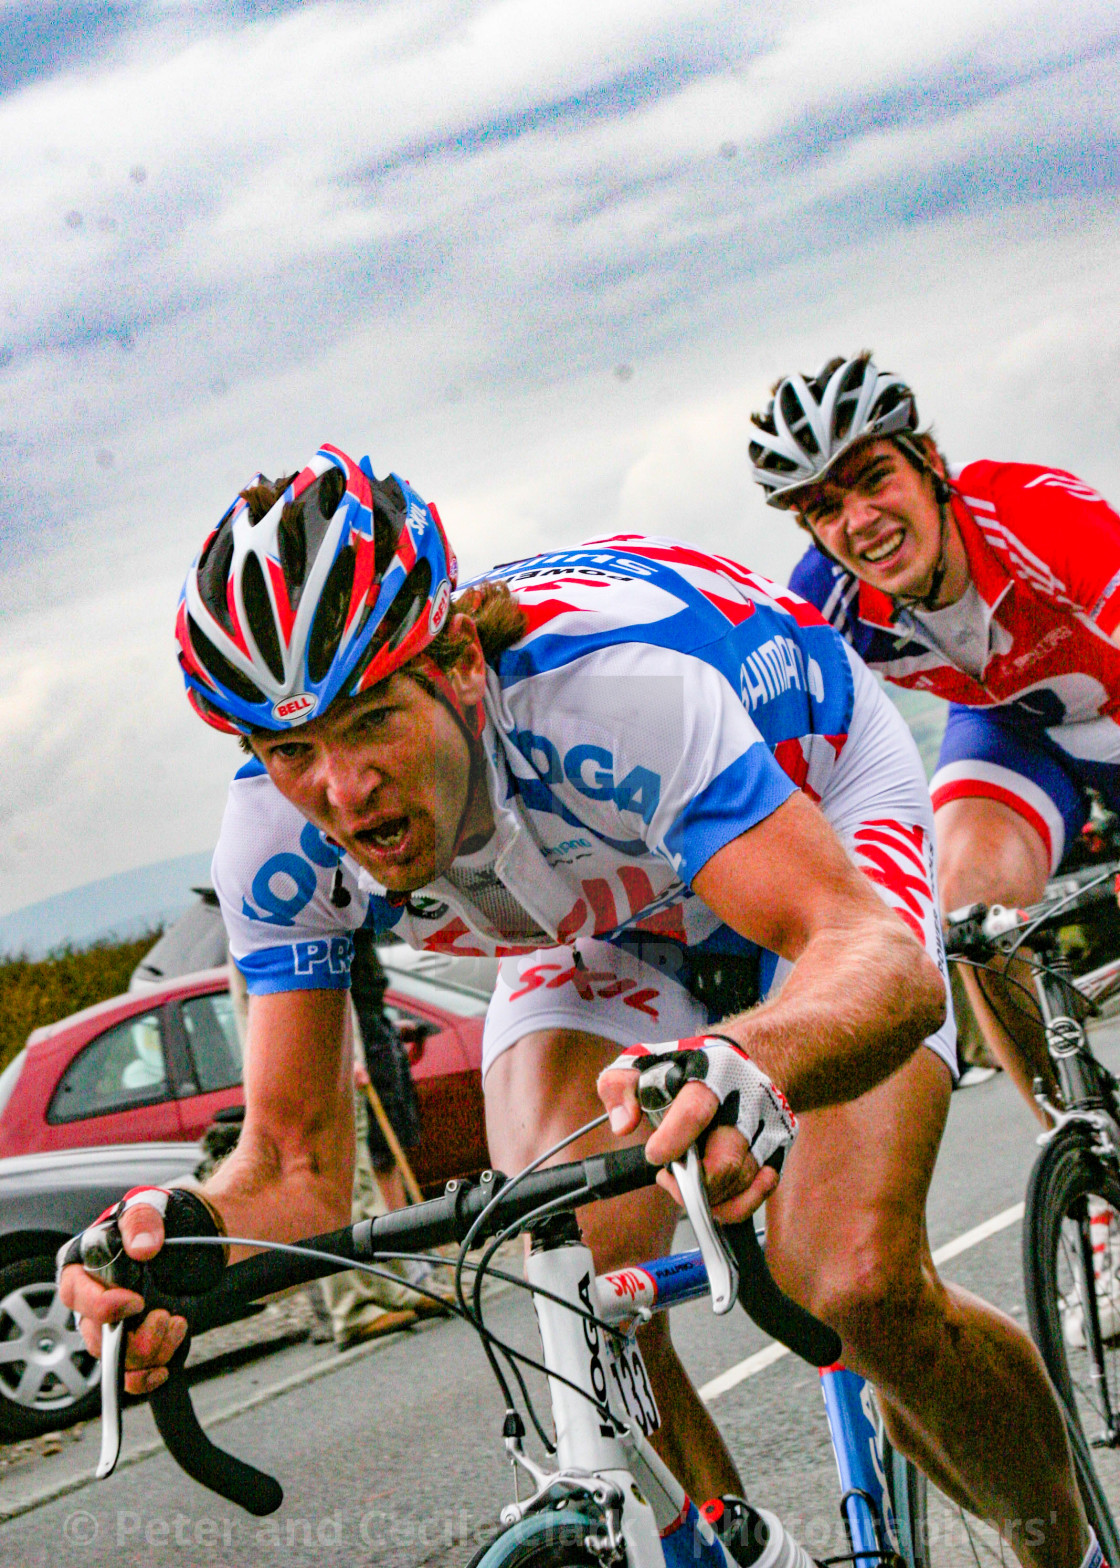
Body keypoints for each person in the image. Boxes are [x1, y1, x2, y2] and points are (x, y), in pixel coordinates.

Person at [60, 445, 1090, 1568]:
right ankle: (727, 1543)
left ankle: (1066, 1554)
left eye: (367, 723)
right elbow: (291, 1164)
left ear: (454, 662)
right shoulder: (276, 836)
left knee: (850, 1278)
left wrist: (748, 1050)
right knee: (568, 1261)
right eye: (289, 748)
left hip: (817, 810)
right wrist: (185, 1243)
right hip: (606, 916)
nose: (340, 791)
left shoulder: (614, 693)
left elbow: (875, 960)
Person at [749, 351, 1120, 1130]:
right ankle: (1082, 1150)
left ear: (930, 464)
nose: (859, 521)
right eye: (823, 506)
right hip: (1013, 732)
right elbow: (791, 766)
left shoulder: (1035, 518)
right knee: (968, 908)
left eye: (874, 478)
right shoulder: (828, 602)